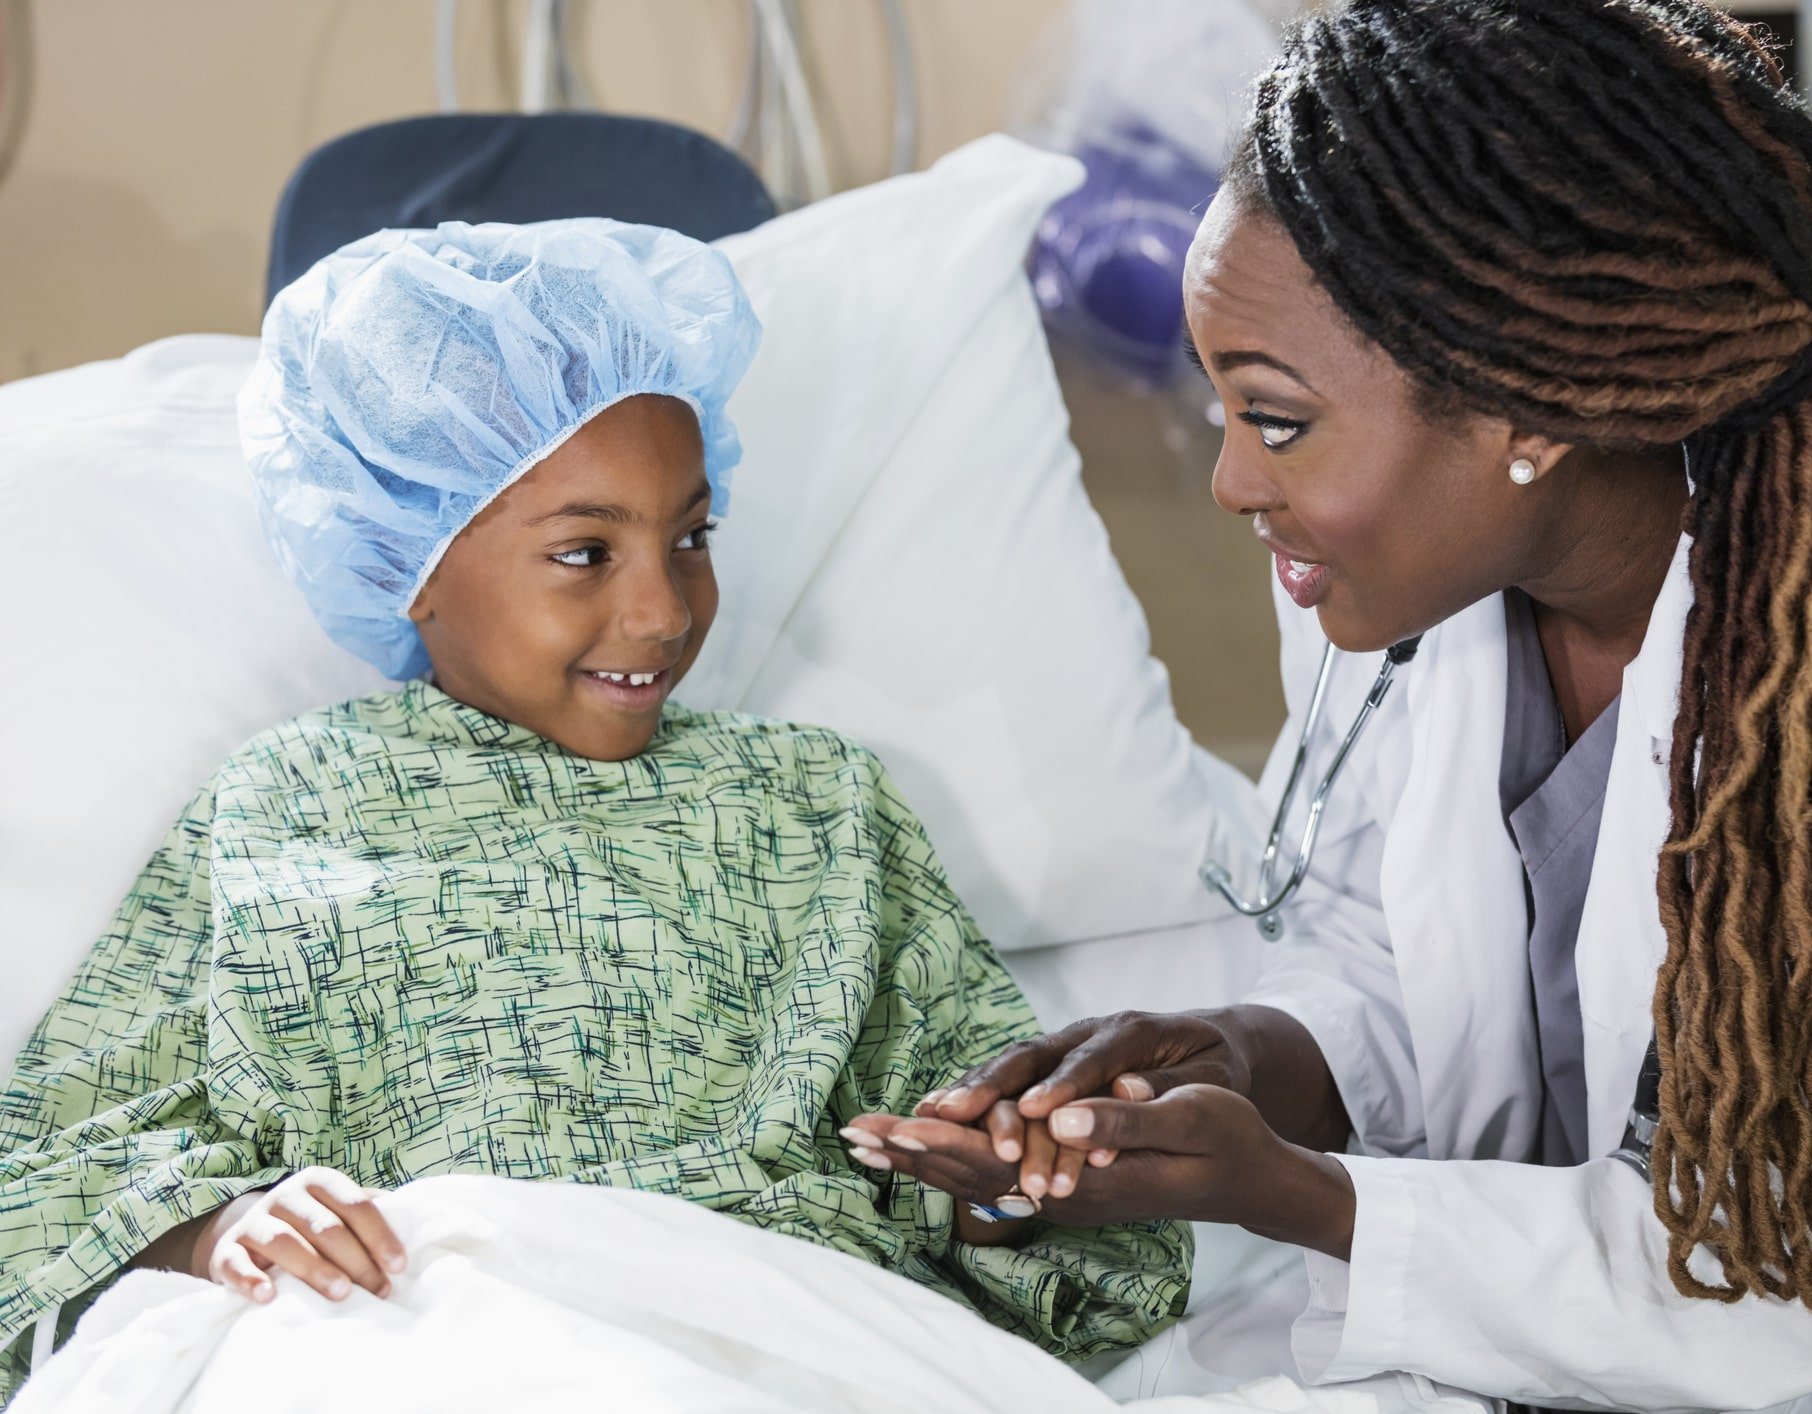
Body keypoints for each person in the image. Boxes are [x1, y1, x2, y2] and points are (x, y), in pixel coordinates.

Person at [842, 1, 1812, 1408]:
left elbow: (1783, 1285)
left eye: (1275, 419)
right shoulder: (1388, 589)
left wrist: (1307, 1198)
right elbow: (1386, 940)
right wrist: (1251, 1060)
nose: (1230, 485)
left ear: (1532, 412)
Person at [0, 219, 1188, 1399]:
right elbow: (47, 1167)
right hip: (417, 1321)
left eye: (691, 538)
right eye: (584, 553)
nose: (665, 611)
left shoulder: (819, 803)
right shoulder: (285, 802)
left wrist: (999, 1184)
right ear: (408, 557)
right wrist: (220, 1227)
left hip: (783, 1319)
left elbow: (1011, 1176)